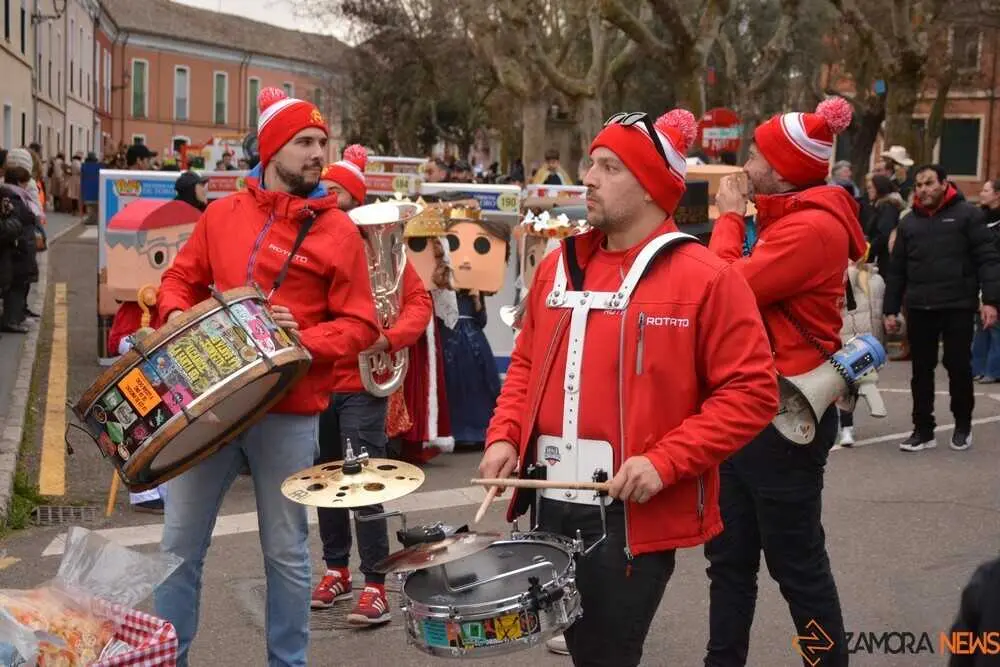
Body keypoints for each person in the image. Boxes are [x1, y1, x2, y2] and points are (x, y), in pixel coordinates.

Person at [478, 108, 779, 667]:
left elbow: (752, 392)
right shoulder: (556, 268)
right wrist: (504, 437)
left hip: (627, 516)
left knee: (606, 656)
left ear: (650, 189)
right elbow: (525, 368)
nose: (588, 177)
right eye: (591, 163)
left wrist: (664, 462)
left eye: (610, 167)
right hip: (548, 504)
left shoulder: (705, 277)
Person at [153, 87, 380, 667]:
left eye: (322, 143)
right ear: (273, 149)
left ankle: (288, 662)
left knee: (285, 554)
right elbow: (179, 281)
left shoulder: (339, 233)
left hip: (290, 410)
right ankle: (165, 658)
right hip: (210, 406)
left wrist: (300, 337)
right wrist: (179, 318)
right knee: (179, 549)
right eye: (304, 142)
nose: (316, 154)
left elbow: (360, 325)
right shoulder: (222, 214)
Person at [706, 97, 867, 666]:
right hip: (750, 410)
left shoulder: (812, 228)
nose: (746, 163)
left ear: (782, 169)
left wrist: (727, 218)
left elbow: (722, 291)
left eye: (756, 154)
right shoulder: (792, 219)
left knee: (797, 568)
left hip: (782, 419)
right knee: (728, 561)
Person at [309, 145, 433, 625]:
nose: (329, 196)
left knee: (362, 484)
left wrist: (389, 337)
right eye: (326, 189)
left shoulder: (385, 250)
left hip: (361, 383)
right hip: (319, 382)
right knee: (324, 483)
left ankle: (377, 582)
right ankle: (336, 569)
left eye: (337, 191)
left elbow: (419, 302)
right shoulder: (315, 242)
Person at [883, 164, 1000, 452]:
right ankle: (923, 430)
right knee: (921, 371)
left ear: (945, 184)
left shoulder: (968, 216)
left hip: (958, 305)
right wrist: (890, 309)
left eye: (929, 183)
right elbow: (897, 270)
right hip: (920, 306)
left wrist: (992, 302)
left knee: (958, 367)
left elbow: (988, 260)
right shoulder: (909, 223)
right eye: (919, 185)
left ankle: (962, 426)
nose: (923, 189)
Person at [972, 178, 1000, 383]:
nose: (982, 193)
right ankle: (977, 367)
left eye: (986, 190)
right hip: (980, 274)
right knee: (981, 323)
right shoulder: (980, 217)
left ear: (997, 194)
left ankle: (994, 369)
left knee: (996, 324)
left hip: (996, 273)